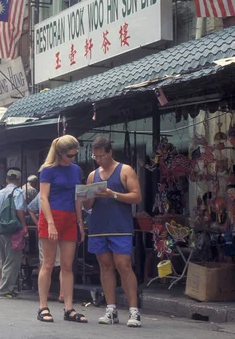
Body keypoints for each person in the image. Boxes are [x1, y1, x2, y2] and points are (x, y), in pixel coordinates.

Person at [83, 137, 142, 327]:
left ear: (110, 153)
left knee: (123, 265)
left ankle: (134, 311)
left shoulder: (125, 170)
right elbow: (87, 204)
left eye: (102, 156)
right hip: (98, 227)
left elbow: (136, 196)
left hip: (120, 226)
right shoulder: (93, 175)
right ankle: (111, 309)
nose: (99, 159)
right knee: (105, 266)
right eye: (96, 156)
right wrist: (88, 195)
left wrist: (113, 194)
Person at [37, 135, 86, 324]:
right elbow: (43, 197)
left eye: (75, 154)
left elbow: (78, 197)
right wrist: (50, 222)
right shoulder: (47, 170)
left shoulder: (76, 170)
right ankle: (43, 306)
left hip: (70, 217)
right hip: (52, 215)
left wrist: (80, 222)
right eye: (70, 155)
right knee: (48, 263)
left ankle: (69, 308)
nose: (73, 157)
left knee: (67, 265)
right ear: (60, 153)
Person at [0, 168, 28, 299]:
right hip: (13, 230)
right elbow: (19, 210)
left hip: (0, 229)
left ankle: (8, 288)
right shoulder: (18, 192)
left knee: (4, 259)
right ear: (19, 181)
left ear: (7, 180)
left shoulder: (0, 193)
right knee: (13, 260)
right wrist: (24, 225)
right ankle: (4, 290)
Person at [27, 192, 63, 302]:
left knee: (44, 264)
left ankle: (44, 293)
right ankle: (62, 293)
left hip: (45, 230)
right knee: (63, 264)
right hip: (59, 229)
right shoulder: (63, 191)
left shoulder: (41, 193)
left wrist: (38, 223)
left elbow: (30, 208)